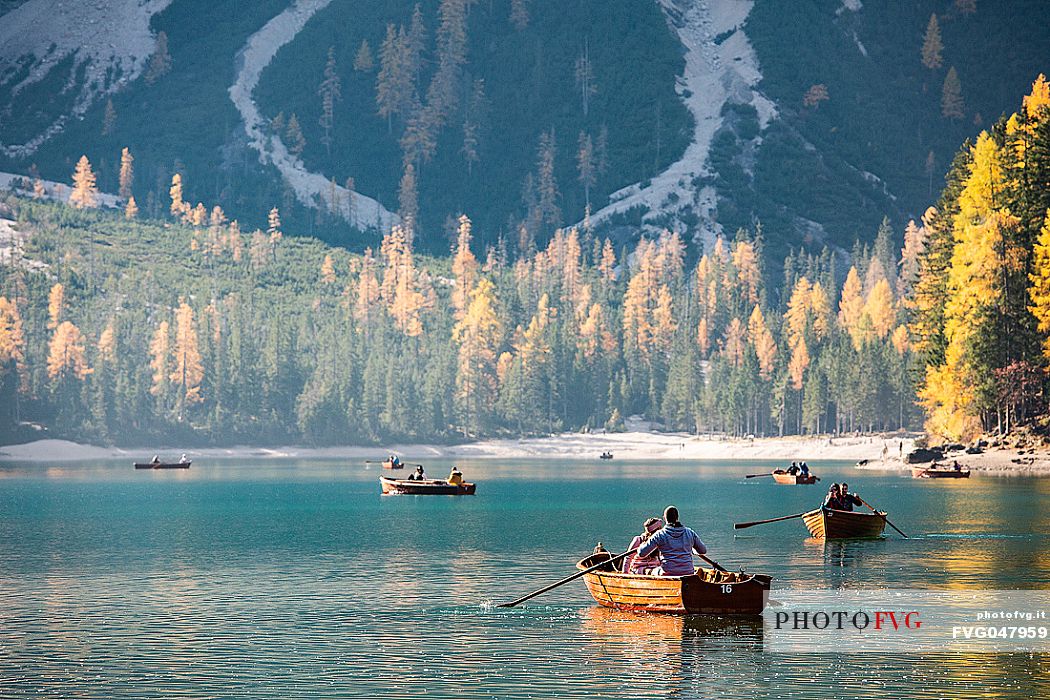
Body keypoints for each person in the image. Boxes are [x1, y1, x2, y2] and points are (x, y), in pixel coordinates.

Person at [634, 506, 707, 577]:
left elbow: (641, 553)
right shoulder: (690, 532)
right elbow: (703, 551)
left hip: (667, 573)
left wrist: (641, 545)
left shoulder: (659, 535)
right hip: (688, 572)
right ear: (677, 517)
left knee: (650, 571)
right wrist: (692, 548)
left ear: (664, 518)